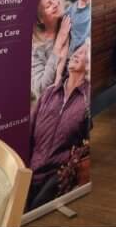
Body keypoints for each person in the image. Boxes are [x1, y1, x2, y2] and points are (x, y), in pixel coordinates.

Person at [27, 40, 91, 210]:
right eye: (76, 51)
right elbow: (29, 133)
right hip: (31, 171)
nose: (76, 54)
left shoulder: (86, 100)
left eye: (83, 53)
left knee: (33, 214)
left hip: (57, 176)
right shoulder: (49, 93)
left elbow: (86, 147)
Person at [31, 0, 67, 102]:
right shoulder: (36, 47)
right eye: (48, 5)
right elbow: (40, 89)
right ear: (40, 19)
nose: (55, 4)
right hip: (52, 105)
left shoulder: (70, 20)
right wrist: (58, 44)